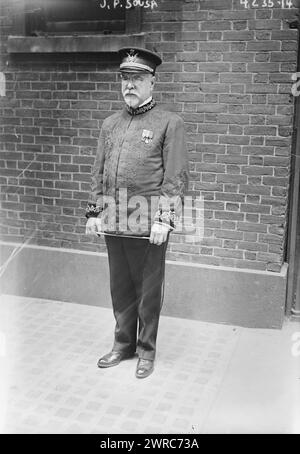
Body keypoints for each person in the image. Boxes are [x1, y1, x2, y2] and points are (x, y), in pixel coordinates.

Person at [85, 47, 189, 379]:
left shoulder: (169, 122)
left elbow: (175, 176)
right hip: (115, 220)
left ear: (152, 83)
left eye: (137, 79)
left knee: (147, 291)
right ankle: (122, 345)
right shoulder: (110, 124)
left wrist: (165, 219)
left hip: (149, 223)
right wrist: (94, 212)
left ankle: (146, 351)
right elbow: (98, 173)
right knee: (120, 288)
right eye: (125, 79)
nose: (130, 85)